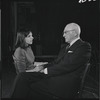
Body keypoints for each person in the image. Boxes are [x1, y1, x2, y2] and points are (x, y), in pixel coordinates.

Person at [11, 23, 91, 99]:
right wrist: (42, 66)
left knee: (26, 84)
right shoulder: (64, 47)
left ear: (74, 33)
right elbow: (56, 62)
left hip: (64, 85)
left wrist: (45, 70)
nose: (63, 35)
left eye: (65, 32)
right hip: (55, 77)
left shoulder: (84, 46)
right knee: (22, 77)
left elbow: (67, 65)